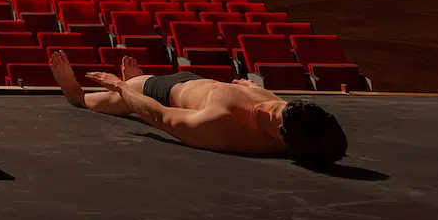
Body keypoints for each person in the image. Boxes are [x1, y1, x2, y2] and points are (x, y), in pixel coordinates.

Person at [49, 51, 348, 164]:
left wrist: (121, 87)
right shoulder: (292, 117)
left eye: (270, 116)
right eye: (277, 106)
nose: (269, 107)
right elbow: (277, 105)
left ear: (281, 139)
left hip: (162, 93)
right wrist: (254, 90)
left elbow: (160, 116)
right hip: (199, 83)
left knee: (84, 100)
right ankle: (135, 80)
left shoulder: (219, 127)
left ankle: (74, 90)